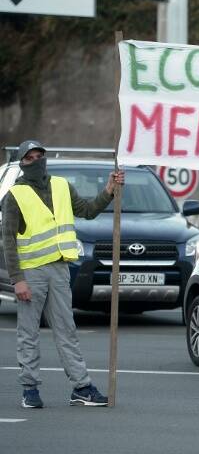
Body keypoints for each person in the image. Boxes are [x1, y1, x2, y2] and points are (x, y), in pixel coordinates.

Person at [1, 140, 124, 408]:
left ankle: (81, 387)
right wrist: (17, 279)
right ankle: (29, 389)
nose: (36, 160)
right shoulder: (15, 195)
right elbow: (8, 240)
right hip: (31, 273)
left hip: (59, 269)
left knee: (66, 330)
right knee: (28, 331)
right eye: (30, 158)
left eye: (39, 156)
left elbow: (88, 212)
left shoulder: (61, 185)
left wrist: (109, 190)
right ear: (22, 163)